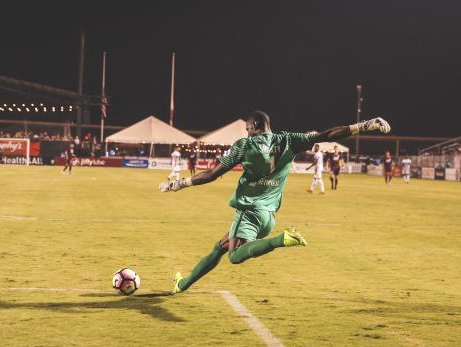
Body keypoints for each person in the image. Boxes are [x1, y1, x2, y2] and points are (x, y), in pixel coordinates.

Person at [159, 111, 390, 293]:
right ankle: (183, 284)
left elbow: (211, 175)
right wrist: (364, 125)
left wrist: (179, 184)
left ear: (255, 127)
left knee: (234, 256)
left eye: (249, 129)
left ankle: (282, 239)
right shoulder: (289, 139)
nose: (248, 133)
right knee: (220, 247)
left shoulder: (244, 145)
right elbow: (326, 135)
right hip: (268, 216)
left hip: (249, 212)